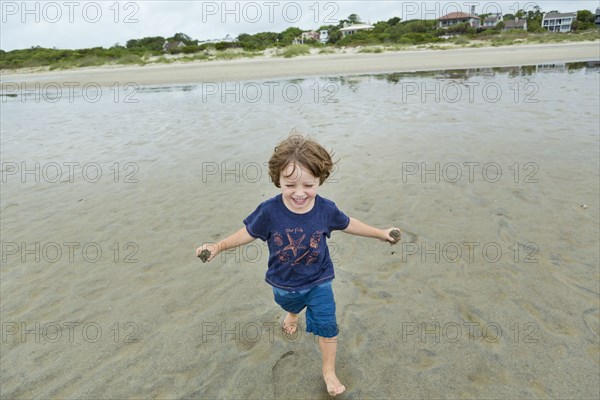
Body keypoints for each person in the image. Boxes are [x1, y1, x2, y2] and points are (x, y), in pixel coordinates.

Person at [196, 134, 400, 396]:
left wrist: (380, 232)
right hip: (284, 283)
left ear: (319, 180)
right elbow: (247, 233)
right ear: (277, 180)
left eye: (308, 184)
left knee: (327, 324)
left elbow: (349, 223)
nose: (300, 192)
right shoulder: (269, 211)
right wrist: (218, 246)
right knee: (289, 305)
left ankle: (329, 371)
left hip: (319, 280)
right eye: (290, 184)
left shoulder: (326, 210)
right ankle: (292, 313)